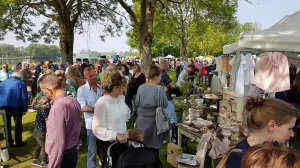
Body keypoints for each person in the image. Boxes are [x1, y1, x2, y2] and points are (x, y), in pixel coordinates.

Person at [225, 97, 299, 168]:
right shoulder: (238, 158)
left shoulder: (272, 149)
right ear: (272, 126)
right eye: (290, 128)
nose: (292, 134)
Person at [38, 73, 81, 168]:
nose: (46, 95)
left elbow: (56, 142)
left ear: (49, 90)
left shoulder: (58, 107)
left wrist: (53, 165)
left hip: (62, 156)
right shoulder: (74, 101)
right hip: (72, 151)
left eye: (45, 92)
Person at [92, 70, 130, 168]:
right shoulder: (102, 103)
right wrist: (115, 135)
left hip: (122, 142)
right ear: (115, 88)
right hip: (108, 145)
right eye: (123, 86)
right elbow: (97, 128)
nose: (125, 89)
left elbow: (123, 116)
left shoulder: (121, 98)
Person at [135, 65, 169, 156]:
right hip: (154, 121)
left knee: (141, 145)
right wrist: (163, 93)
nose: (161, 78)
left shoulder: (141, 87)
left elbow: (137, 103)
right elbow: (165, 105)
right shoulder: (159, 89)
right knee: (153, 148)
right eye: (160, 76)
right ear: (156, 77)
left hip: (141, 119)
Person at [77, 67, 102, 168]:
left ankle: (104, 164)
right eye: (90, 76)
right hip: (91, 123)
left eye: (94, 75)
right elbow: (82, 107)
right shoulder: (82, 90)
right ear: (85, 78)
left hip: (105, 122)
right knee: (92, 150)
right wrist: (99, 110)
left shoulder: (101, 87)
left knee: (103, 148)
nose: (93, 77)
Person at [0, 73, 28, 148]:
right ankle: (18, 142)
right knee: (18, 124)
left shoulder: (2, 83)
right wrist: (25, 109)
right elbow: (24, 97)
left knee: (7, 125)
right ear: (19, 77)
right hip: (16, 106)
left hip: (3, 106)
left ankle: (9, 143)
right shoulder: (21, 83)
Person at [31, 96, 49, 167]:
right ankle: (44, 161)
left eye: (48, 101)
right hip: (40, 131)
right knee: (45, 146)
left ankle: (35, 159)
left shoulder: (43, 108)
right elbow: (47, 117)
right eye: (46, 102)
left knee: (39, 145)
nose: (48, 103)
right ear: (41, 104)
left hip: (37, 131)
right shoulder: (43, 109)